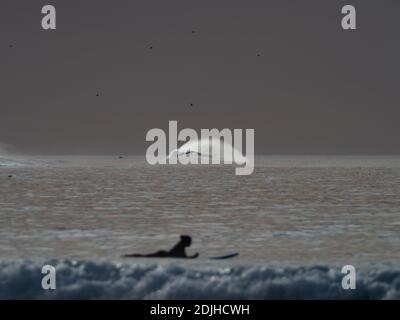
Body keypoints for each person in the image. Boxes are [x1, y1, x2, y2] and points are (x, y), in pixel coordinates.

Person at [122, 235, 199, 259]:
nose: (190, 243)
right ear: (185, 242)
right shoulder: (180, 247)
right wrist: (193, 257)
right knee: (144, 256)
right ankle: (128, 256)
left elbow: (182, 257)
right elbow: (183, 257)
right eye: (189, 242)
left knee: (144, 256)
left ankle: (129, 256)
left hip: (164, 254)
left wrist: (192, 257)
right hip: (162, 255)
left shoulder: (180, 247)